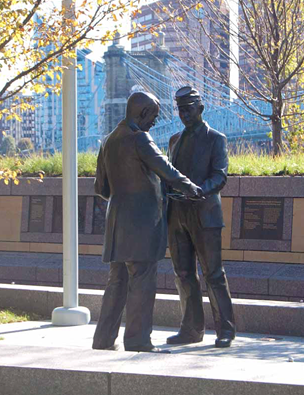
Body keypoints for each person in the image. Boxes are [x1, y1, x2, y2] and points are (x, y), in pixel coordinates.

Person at [92, 91, 202, 353]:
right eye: (153, 115)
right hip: (141, 226)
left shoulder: (108, 141)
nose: (155, 121)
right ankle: (138, 340)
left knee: (116, 283)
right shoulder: (140, 139)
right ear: (142, 113)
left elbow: (102, 189)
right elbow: (167, 170)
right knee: (142, 281)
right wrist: (192, 188)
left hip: (116, 225)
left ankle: (103, 340)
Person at [166, 86, 236, 348]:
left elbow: (220, 176)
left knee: (214, 275)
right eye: (180, 109)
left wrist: (198, 191)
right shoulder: (174, 140)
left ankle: (225, 330)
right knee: (183, 273)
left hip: (205, 214)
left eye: (189, 108)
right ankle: (191, 329)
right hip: (177, 216)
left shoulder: (216, 139)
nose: (184, 114)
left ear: (201, 109)